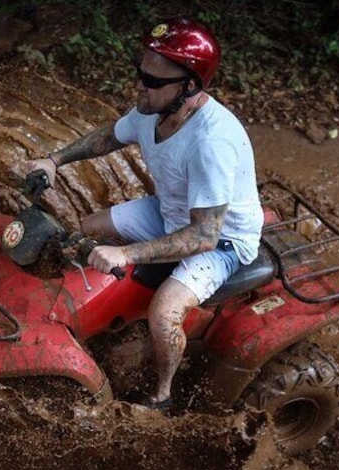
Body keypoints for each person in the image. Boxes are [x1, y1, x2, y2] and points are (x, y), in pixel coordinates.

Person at [25, 17, 263, 411]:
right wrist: (54, 159)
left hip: (221, 240)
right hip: (171, 210)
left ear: (188, 86)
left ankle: (163, 394)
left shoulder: (211, 143)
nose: (140, 86)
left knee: (164, 313)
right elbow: (108, 137)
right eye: (140, 74)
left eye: (152, 82)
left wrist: (127, 254)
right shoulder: (153, 109)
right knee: (87, 229)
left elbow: (203, 236)